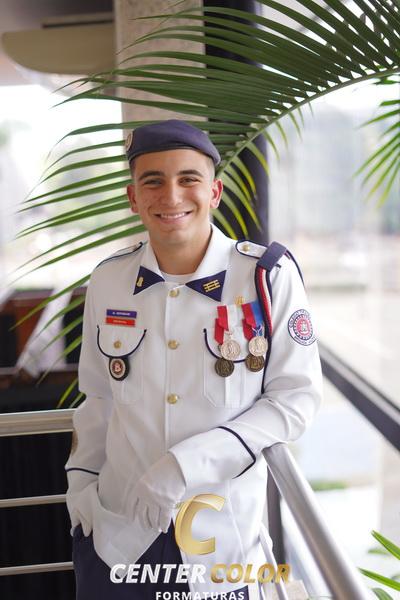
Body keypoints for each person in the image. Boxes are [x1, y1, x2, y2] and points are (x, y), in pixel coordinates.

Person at [65, 120, 323, 600]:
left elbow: (295, 400)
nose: (171, 196)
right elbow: (97, 397)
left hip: (220, 548)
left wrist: (184, 466)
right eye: (153, 181)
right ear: (133, 197)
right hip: (116, 539)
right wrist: (79, 492)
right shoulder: (108, 280)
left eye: (188, 179)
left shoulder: (266, 277)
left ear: (215, 191)